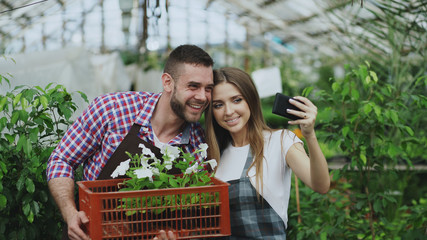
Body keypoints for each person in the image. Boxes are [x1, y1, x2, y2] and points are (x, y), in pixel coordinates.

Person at [46, 44, 214, 240]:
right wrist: (70, 214)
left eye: (208, 88)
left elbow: (192, 216)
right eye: (193, 86)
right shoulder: (112, 109)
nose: (202, 97)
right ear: (168, 82)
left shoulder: (198, 145)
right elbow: (62, 160)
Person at [204, 67, 330, 239]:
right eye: (218, 104)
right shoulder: (212, 157)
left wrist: (310, 135)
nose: (228, 111)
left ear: (251, 100)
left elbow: (321, 185)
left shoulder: (280, 141)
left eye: (236, 100)